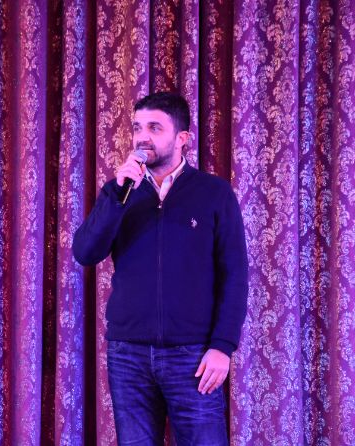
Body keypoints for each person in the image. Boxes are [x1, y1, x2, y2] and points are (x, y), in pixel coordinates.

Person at [72, 92, 248, 445]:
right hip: (128, 354)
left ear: (182, 138)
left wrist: (222, 346)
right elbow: (86, 252)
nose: (142, 137)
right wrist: (117, 196)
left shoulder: (213, 193)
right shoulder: (119, 192)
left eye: (154, 128)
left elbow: (235, 275)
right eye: (137, 127)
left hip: (193, 355)